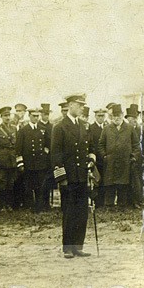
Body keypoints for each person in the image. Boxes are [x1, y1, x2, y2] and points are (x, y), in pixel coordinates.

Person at [51, 94, 97, 258]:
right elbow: (56, 155)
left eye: (83, 105)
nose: (82, 108)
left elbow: (91, 148)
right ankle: (68, 248)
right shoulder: (59, 127)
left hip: (82, 176)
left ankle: (78, 246)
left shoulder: (84, 126)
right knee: (69, 213)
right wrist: (61, 178)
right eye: (79, 105)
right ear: (70, 105)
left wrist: (91, 160)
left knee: (82, 213)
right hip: (68, 178)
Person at [98, 104, 138, 207]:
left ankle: (122, 205)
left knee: (123, 184)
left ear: (122, 115)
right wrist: (104, 156)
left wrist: (133, 156)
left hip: (125, 162)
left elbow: (136, 145)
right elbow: (101, 145)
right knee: (110, 184)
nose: (116, 118)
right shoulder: (106, 129)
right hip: (110, 162)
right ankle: (109, 205)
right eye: (114, 115)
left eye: (118, 115)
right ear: (112, 116)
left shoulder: (129, 128)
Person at [16, 107, 52, 212]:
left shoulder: (42, 129)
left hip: (40, 162)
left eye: (37, 116)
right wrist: (20, 163)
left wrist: (45, 153)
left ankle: (39, 206)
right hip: (29, 162)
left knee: (40, 185)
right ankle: (30, 205)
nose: (36, 118)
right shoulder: (23, 130)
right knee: (29, 185)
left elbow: (48, 144)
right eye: (34, 116)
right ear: (29, 116)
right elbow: (18, 149)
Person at [0, 106, 19, 211]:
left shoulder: (14, 128)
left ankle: (9, 204)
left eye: (8, 115)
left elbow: (16, 145)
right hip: (2, 159)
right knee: (2, 182)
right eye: (5, 116)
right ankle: (2, 205)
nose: (7, 117)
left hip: (12, 158)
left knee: (11, 182)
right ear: (1, 117)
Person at [126, 104, 144, 208]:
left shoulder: (140, 129)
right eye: (131, 118)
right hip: (128, 158)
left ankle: (138, 200)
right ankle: (132, 201)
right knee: (130, 181)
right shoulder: (125, 129)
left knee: (138, 181)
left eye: (135, 118)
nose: (133, 120)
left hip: (138, 158)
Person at [89, 107, 108, 208]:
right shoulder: (91, 128)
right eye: (99, 116)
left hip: (105, 158)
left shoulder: (107, 127)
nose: (101, 118)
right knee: (97, 180)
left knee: (105, 180)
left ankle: (103, 201)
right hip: (96, 159)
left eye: (102, 116)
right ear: (95, 116)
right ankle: (97, 202)